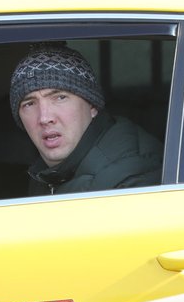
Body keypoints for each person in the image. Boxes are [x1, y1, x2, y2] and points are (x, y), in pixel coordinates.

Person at [9, 43, 162, 196]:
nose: (44, 118)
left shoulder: (129, 182)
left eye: (60, 97)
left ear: (92, 106)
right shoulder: (47, 173)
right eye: (29, 104)